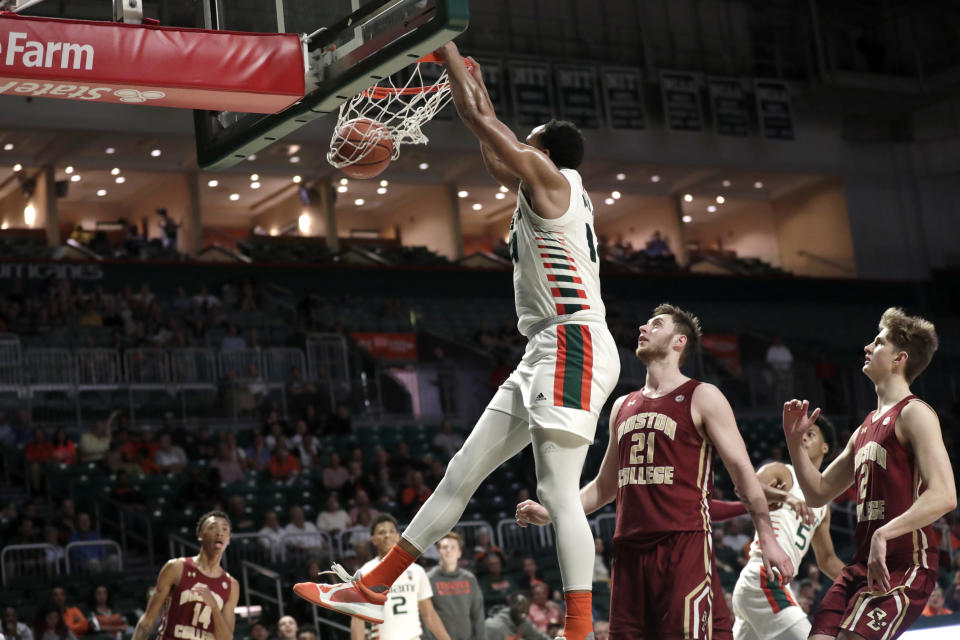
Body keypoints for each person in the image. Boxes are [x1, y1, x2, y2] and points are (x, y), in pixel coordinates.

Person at [296, 41, 620, 640]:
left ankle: (579, 629)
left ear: (545, 150)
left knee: (557, 488)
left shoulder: (556, 177)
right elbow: (496, 153)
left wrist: (445, 50)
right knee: (459, 472)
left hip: (575, 341)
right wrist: (472, 79)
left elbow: (482, 125)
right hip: (545, 349)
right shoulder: (538, 184)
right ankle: (372, 587)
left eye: (531, 136)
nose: (521, 141)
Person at [516, 304, 793, 639]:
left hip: (682, 543)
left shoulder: (703, 396)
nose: (644, 329)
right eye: (645, 324)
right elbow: (605, 487)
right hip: (628, 549)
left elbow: (743, 474)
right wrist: (553, 512)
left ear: (679, 341)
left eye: (656, 324)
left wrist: (768, 538)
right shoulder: (622, 405)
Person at [783, 307, 956, 640]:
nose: (867, 348)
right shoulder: (864, 429)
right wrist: (793, 442)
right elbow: (818, 491)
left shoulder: (914, 413)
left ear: (899, 359)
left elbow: (945, 495)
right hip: (861, 565)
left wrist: (883, 534)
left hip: (907, 563)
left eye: (878, 343)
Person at [731, 416, 846, 640]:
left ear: (825, 448)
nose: (803, 436)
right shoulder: (784, 471)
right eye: (801, 433)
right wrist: (786, 497)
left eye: (811, 434)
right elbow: (745, 486)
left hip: (770, 585)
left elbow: (827, 559)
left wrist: (861, 585)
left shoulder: (822, 505)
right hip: (764, 579)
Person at [132, 511, 239, 640]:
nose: (220, 533)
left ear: (228, 539)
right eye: (212, 527)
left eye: (225, 529)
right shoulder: (176, 568)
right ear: (200, 535)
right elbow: (147, 621)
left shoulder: (231, 585)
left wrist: (214, 607)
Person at [347, 514, 451, 640]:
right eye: (381, 532)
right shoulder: (364, 572)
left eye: (391, 531)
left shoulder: (416, 570)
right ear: (373, 539)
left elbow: (429, 614)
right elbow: (357, 620)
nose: (387, 535)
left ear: (398, 536)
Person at [426, 532, 485, 640]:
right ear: (439, 552)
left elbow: (477, 614)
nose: (449, 550)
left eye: (453, 547)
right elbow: (425, 616)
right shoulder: (428, 579)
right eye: (444, 547)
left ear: (459, 553)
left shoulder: (469, 578)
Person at [484, 593, 550, 640]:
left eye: (526, 606)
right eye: (520, 604)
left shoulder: (524, 622)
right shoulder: (493, 626)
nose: (524, 611)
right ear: (511, 605)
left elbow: (540, 637)